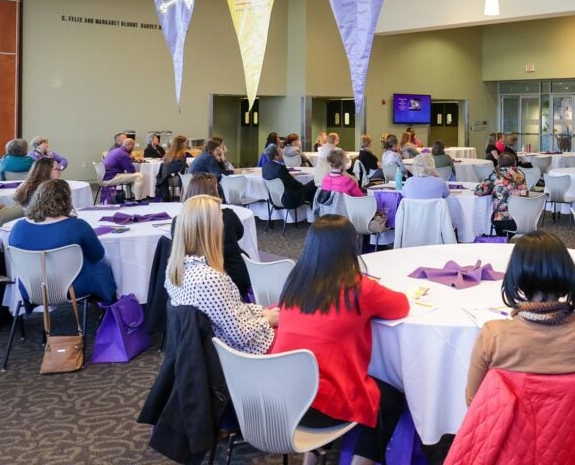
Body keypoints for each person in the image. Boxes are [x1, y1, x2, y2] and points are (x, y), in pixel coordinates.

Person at [270, 216, 409, 465]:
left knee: (321, 375)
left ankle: (310, 460)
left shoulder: (295, 283)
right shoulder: (359, 288)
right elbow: (401, 306)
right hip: (322, 402)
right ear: (350, 248)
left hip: (283, 396)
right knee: (391, 399)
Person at [466, 231, 575, 404]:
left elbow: (474, 403)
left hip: (512, 431)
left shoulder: (493, 336)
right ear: (568, 272)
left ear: (516, 277)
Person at [165, 194, 276, 354]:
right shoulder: (209, 278)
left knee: (287, 311)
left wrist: (261, 313)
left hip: (232, 341)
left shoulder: (176, 268)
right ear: (210, 230)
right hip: (249, 351)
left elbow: (229, 312)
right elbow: (241, 335)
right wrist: (266, 319)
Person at [7, 179, 117, 303]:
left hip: (31, 286)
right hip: (73, 287)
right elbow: (97, 255)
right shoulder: (77, 226)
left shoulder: (18, 227)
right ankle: (109, 308)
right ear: (67, 200)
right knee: (101, 269)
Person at [178, 174, 251, 298]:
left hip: (194, 281)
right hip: (233, 275)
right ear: (214, 193)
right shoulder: (228, 216)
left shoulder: (179, 222)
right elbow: (239, 234)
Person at [474, 151, 528, 235]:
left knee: (493, 217)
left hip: (504, 219)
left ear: (499, 163)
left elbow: (478, 191)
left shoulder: (496, 174)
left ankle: (503, 240)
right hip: (523, 217)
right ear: (515, 162)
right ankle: (508, 238)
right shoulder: (521, 174)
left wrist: (492, 185)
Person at [262, 144, 318, 208]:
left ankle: (310, 210)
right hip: (289, 199)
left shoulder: (265, 167)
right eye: (280, 151)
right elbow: (294, 184)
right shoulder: (280, 168)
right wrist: (303, 186)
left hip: (275, 199)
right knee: (315, 182)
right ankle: (314, 210)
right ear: (276, 156)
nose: (282, 152)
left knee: (309, 188)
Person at [156, 135, 190, 201]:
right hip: (178, 180)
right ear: (182, 144)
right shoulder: (182, 155)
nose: (186, 145)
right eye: (185, 143)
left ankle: (166, 197)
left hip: (165, 180)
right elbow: (182, 171)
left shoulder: (168, 154)